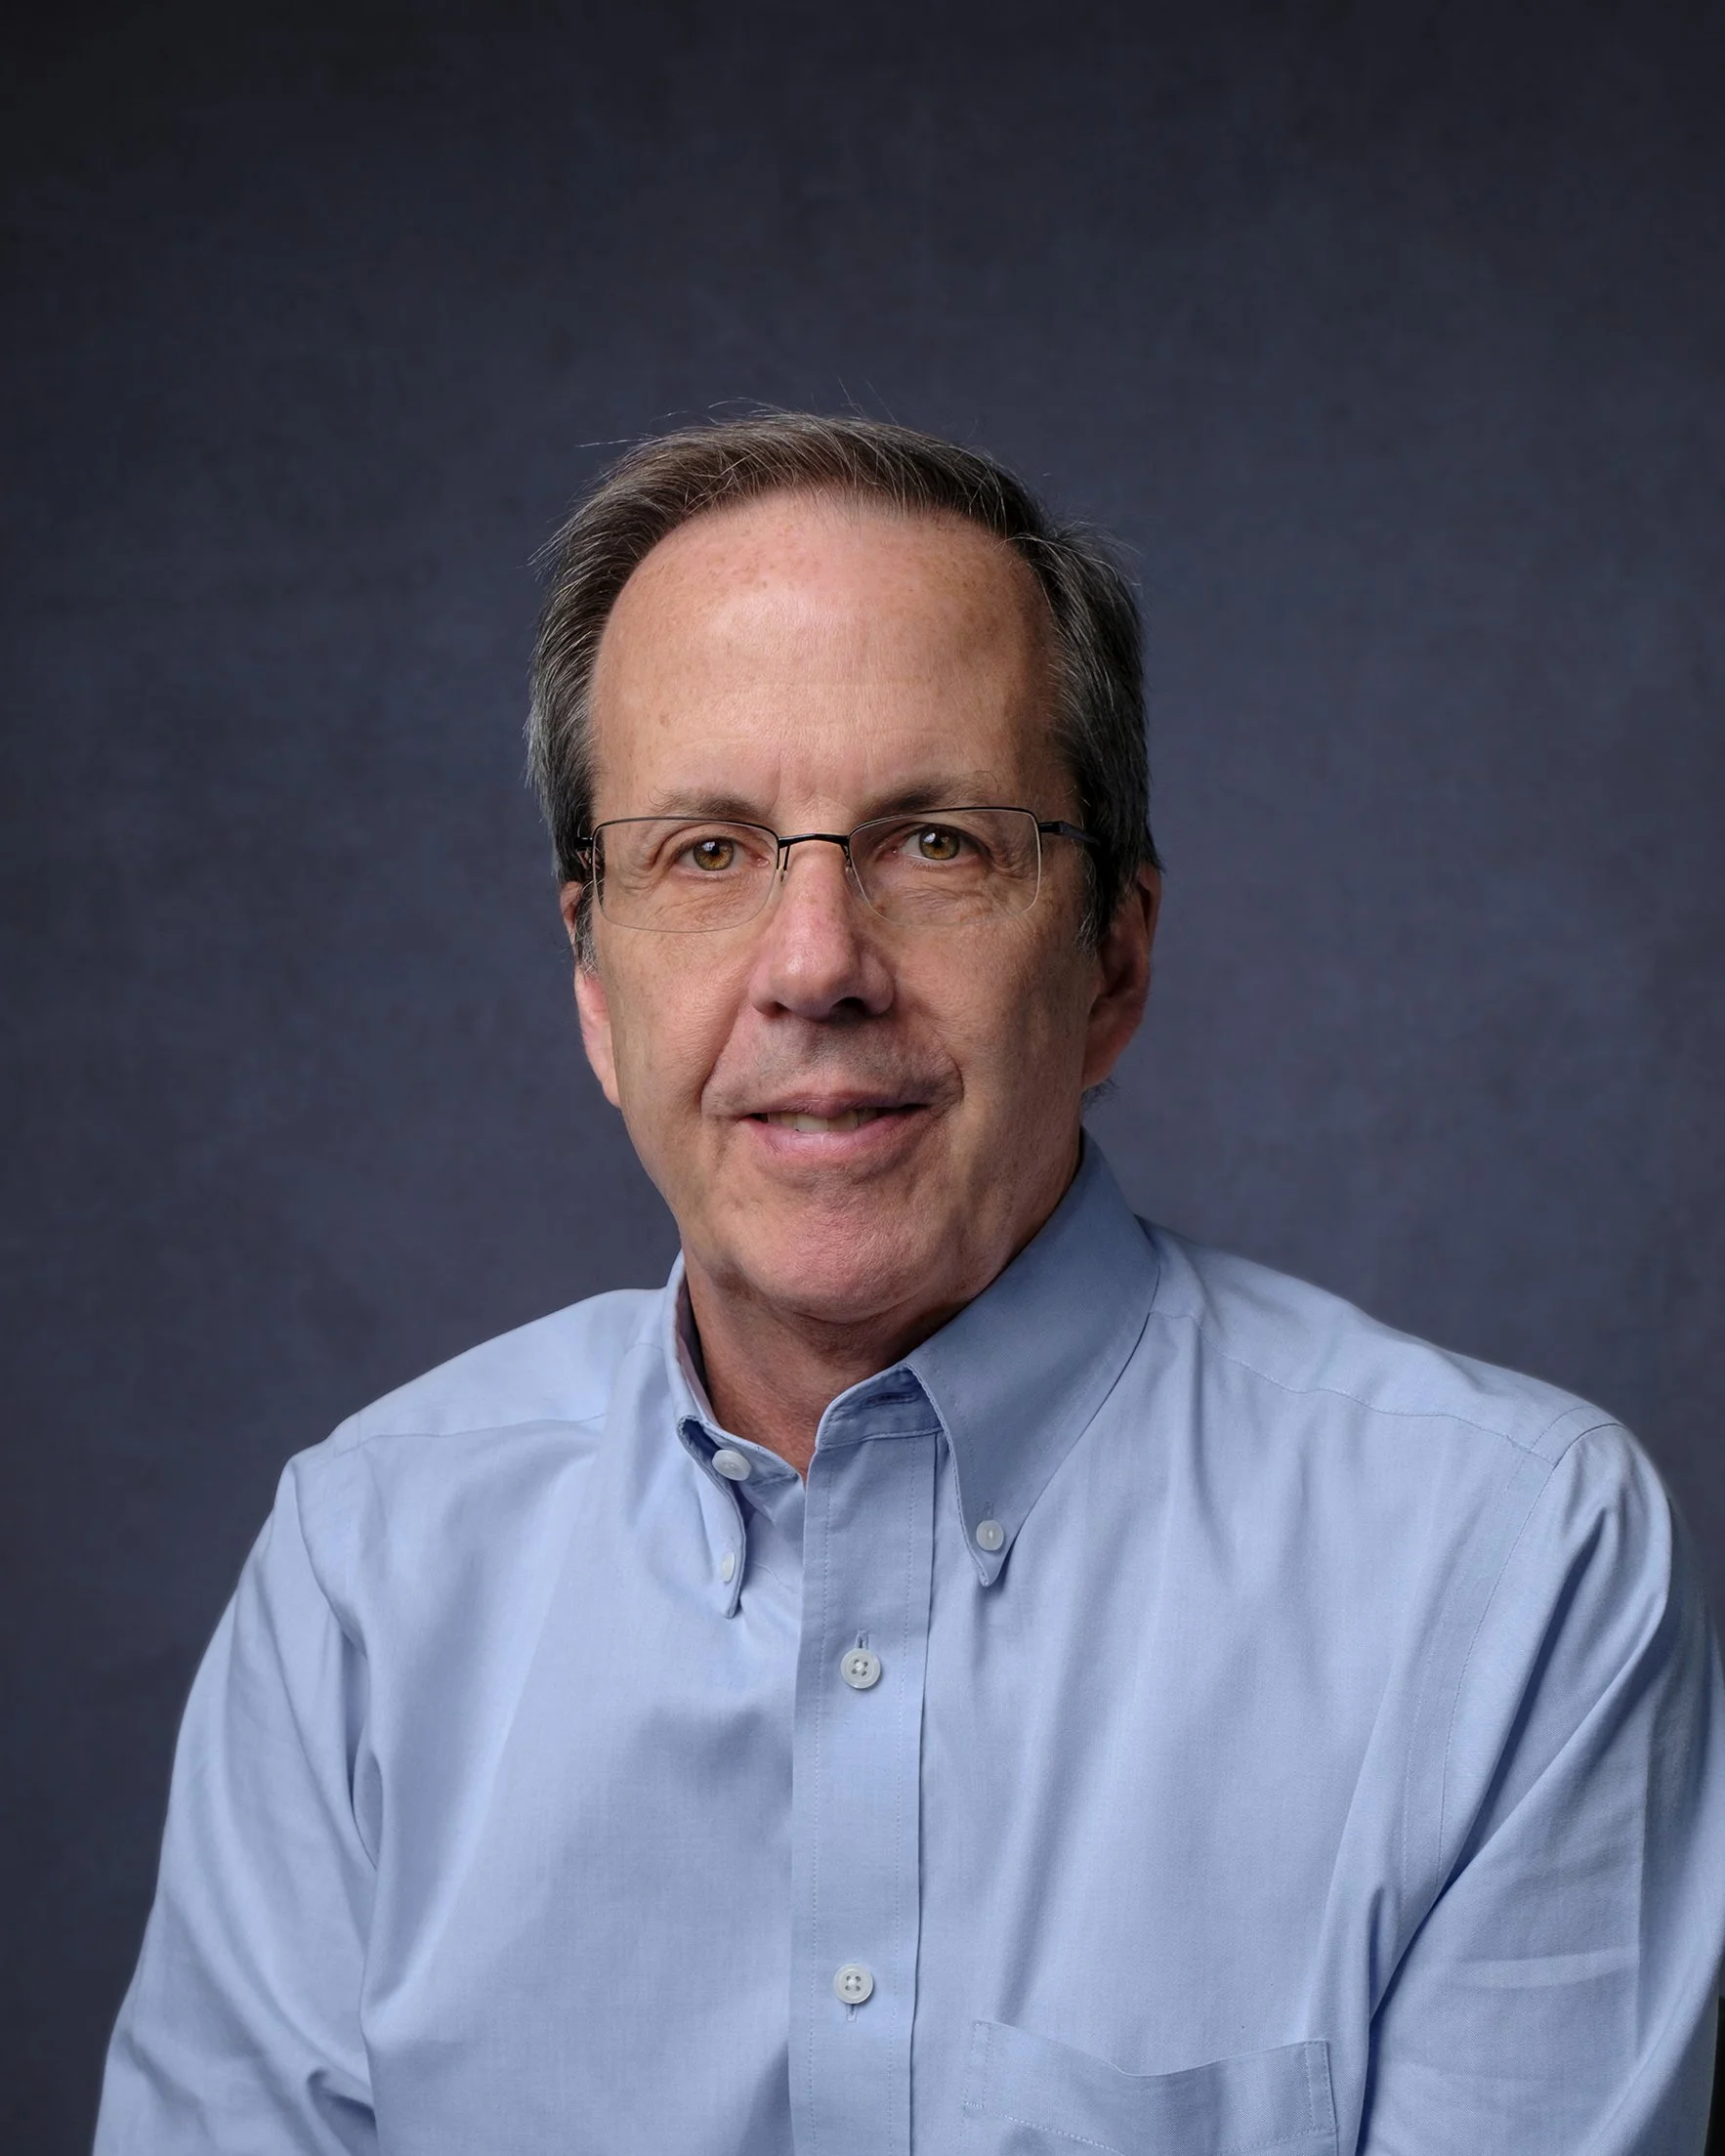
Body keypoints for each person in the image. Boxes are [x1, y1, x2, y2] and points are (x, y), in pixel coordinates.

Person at [96, 414, 1725, 2155]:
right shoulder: (363, 1577)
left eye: (933, 842)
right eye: (705, 852)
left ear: (1114, 953)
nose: (815, 966)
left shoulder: (1507, 1570)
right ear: (591, 984)